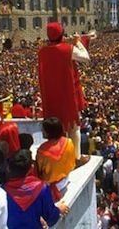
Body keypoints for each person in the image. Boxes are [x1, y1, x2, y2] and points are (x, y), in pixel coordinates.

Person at [38, 22, 90, 166]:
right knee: (74, 128)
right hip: (66, 94)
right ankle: (76, 158)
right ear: (62, 34)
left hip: (51, 95)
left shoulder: (42, 51)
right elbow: (86, 58)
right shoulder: (68, 49)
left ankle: (59, 157)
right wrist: (78, 43)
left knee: (56, 129)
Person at [3, 149, 69, 229]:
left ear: (8, 168)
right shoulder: (41, 188)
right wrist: (58, 210)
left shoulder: (0, 191)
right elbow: (51, 219)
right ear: (31, 168)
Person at [36, 117, 76, 197]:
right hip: (65, 179)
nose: (41, 131)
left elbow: (38, 171)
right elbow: (72, 163)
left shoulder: (42, 150)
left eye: (43, 130)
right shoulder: (69, 142)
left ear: (49, 132)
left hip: (50, 185)